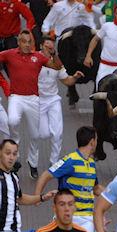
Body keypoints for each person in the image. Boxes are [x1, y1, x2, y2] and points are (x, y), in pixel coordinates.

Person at [0, 29, 62, 179]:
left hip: (33, 99)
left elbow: (57, 67)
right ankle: (16, 153)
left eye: (30, 42)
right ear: (18, 42)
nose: (27, 45)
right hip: (16, 97)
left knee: (35, 135)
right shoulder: (9, 54)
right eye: (24, 42)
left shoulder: (38, 57)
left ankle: (32, 163)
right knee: (12, 120)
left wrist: (54, 54)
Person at [34, 126, 104, 232]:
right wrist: (37, 198)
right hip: (69, 215)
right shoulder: (70, 160)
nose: (97, 143)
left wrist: (113, 194)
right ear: (92, 142)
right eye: (96, 140)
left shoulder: (92, 164)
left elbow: (95, 189)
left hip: (87, 218)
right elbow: (46, 175)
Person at [38, 36, 84, 165]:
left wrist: (74, 77)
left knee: (57, 134)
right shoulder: (34, 60)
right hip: (38, 101)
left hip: (53, 100)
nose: (50, 50)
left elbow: (67, 81)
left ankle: (54, 162)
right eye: (48, 47)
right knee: (44, 134)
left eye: (52, 48)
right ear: (41, 46)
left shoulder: (57, 63)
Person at [0, 139, 56, 232]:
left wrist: (42, 197)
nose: (11, 157)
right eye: (7, 153)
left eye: (14, 154)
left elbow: (20, 199)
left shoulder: (14, 177)